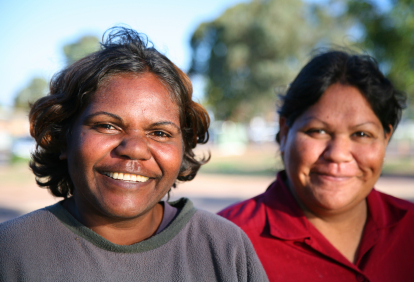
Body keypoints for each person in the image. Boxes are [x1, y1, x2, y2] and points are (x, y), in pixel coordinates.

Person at [0, 27, 268, 281]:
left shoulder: (225, 248)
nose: (135, 149)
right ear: (63, 140)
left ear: (183, 147)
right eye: (107, 126)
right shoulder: (12, 250)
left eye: (160, 133)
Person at [219, 50, 414, 281]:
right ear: (285, 132)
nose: (337, 154)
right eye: (318, 131)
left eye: (362, 134)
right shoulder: (225, 242)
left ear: (385, 139)